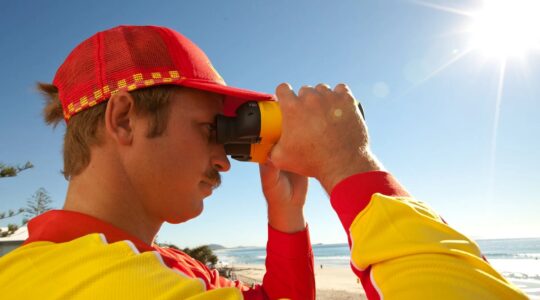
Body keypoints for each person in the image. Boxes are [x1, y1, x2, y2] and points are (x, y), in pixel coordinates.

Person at [0, 25, 527, 300]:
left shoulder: (147, 264)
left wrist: (287, 217)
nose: (224, 161)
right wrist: (348, 164)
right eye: (213, 130)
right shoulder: (95, 287)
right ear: (123, 119)